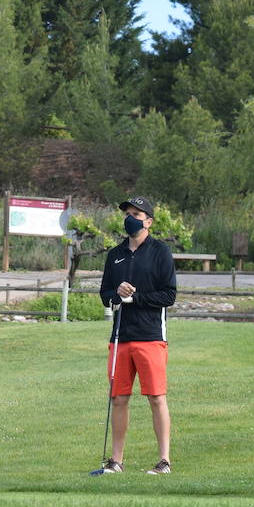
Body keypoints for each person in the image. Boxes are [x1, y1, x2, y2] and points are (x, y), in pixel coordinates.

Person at [96, 194, 178, 475]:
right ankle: (116, 460)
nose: (130, 219)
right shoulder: (115, 255)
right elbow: (104, 294)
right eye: (128, 213)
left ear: (149, 221)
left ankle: (164, 460)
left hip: (151, 334)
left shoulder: (160, 252)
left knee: (156, 397)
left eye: (137, 214)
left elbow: (169, 295)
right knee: (118, 398)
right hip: (120, 335)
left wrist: (137, 297)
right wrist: (116, 295)